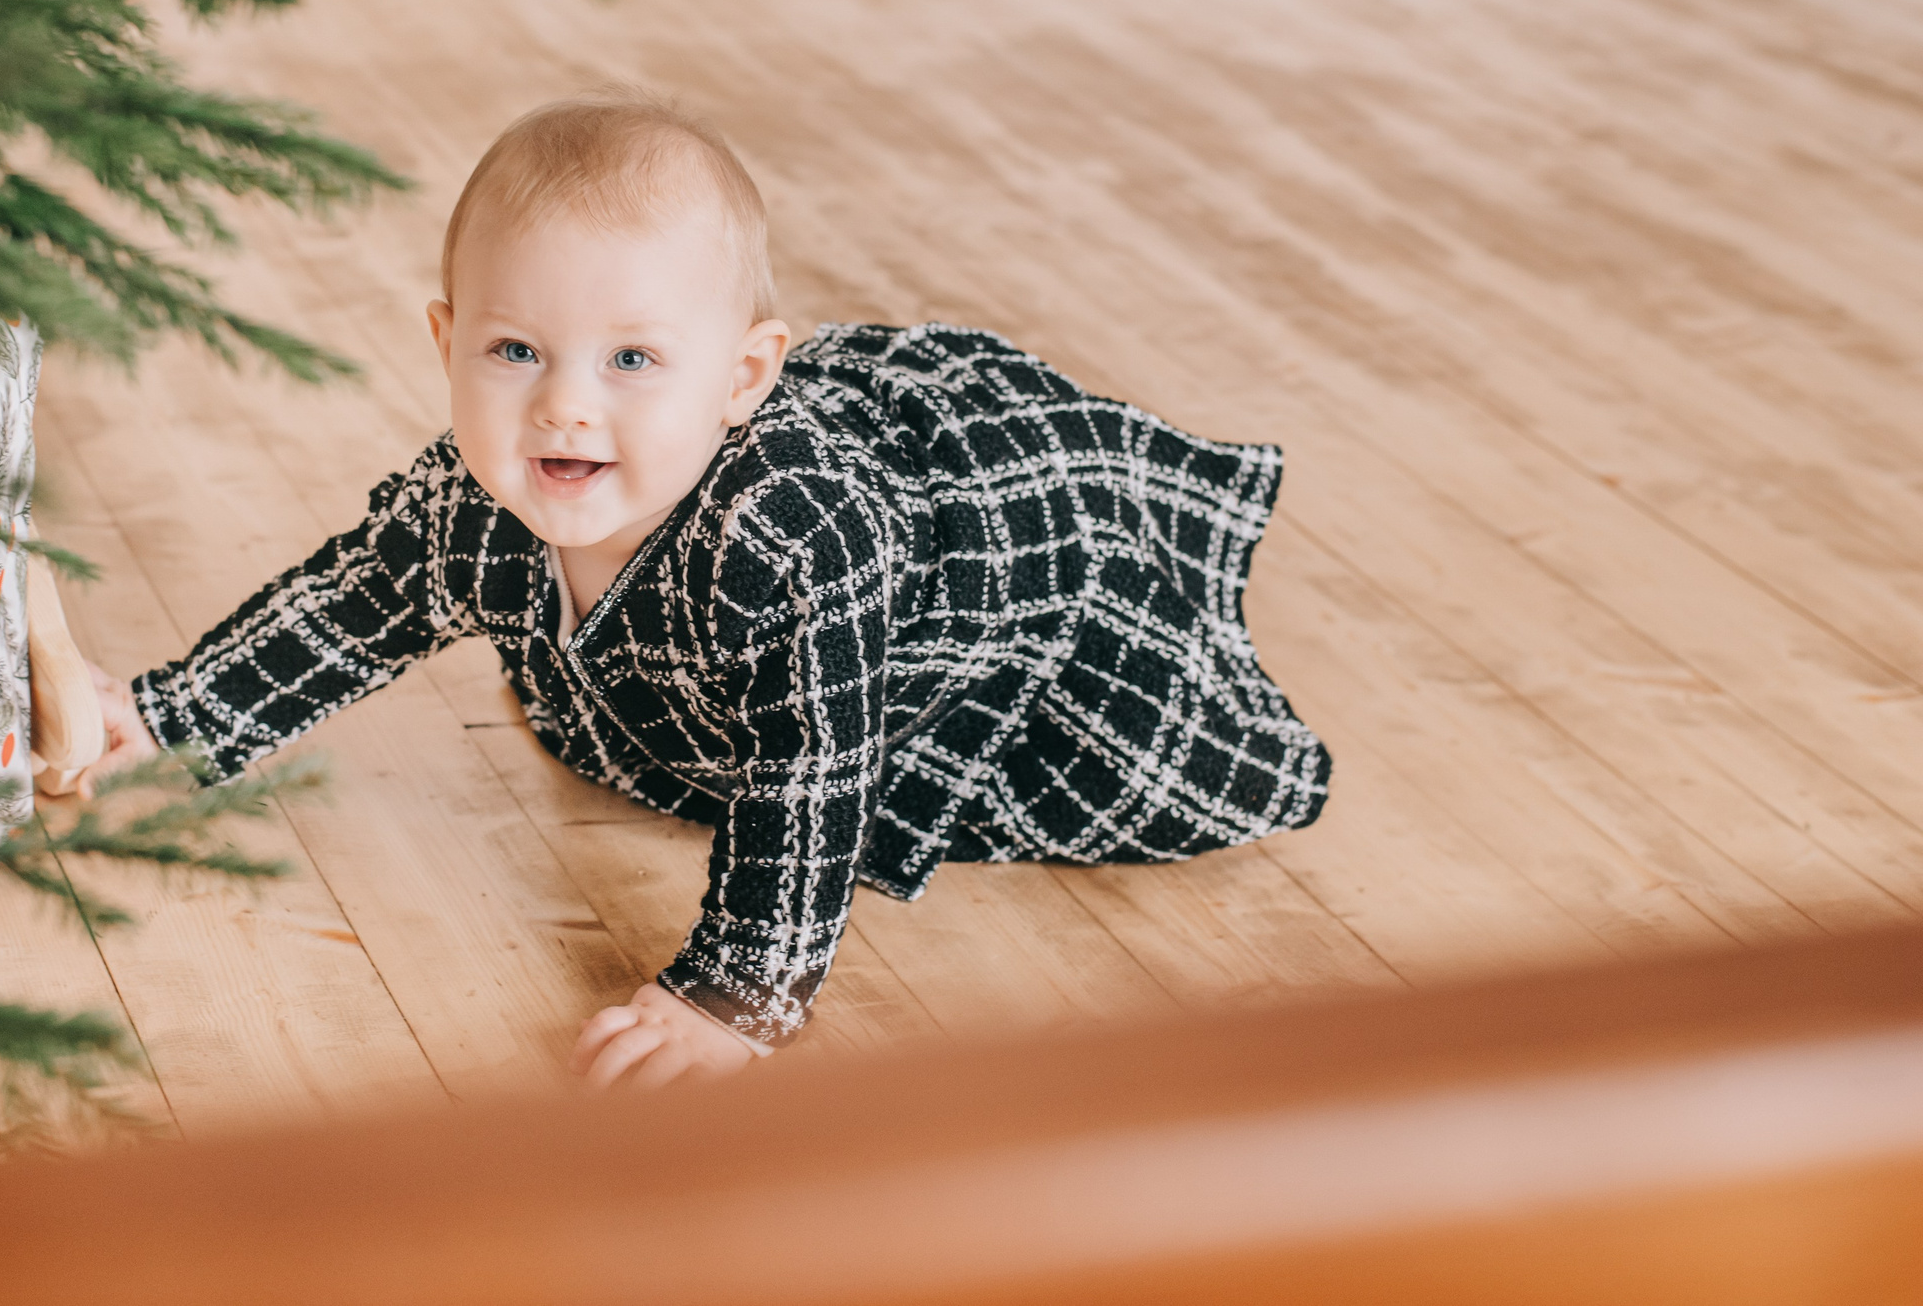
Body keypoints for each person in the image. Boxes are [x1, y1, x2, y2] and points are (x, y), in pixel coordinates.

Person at [82, 91, 1331, 1088]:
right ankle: (642, 676)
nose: (565, 400)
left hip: (975, 625)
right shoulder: (470, 497)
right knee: (586, 669)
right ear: (444, 342)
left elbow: (811, 777)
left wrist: (737, 993)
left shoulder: (793, 542)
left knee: (1091, 785)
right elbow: (348, 606)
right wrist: (164, 710)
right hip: (720, 645)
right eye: (515, 350)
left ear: (740, 379)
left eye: (633, 358)